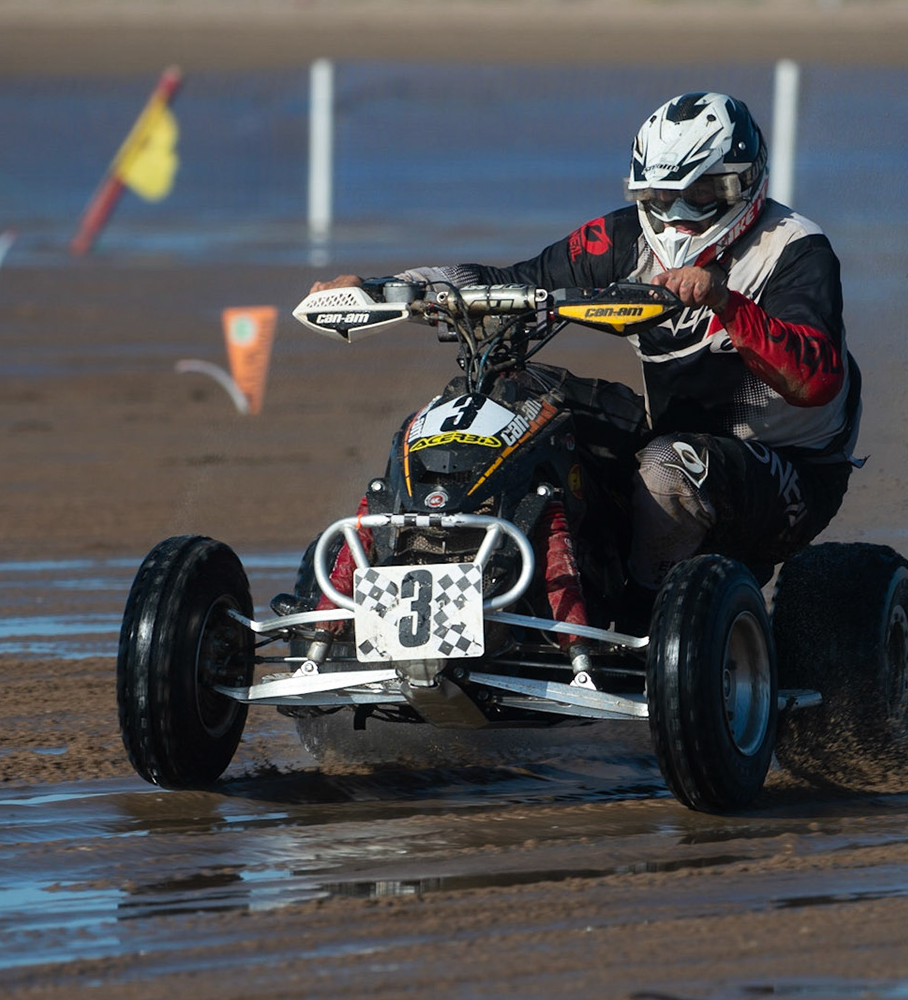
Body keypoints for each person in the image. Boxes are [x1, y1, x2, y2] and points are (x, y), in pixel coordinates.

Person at [310, 91, 861, 619]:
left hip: (790, 474)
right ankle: (425, 578)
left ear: (744, 184)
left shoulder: (793, 248)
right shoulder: (623, 238)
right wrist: (389, 287)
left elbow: (815, 379)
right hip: (668, 436)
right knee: (500, 406)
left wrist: (725, 302)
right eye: (663, 199)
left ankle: (651, 619)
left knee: (670, 465)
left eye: (704, 194)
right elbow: (516, 282)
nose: (680, 216)